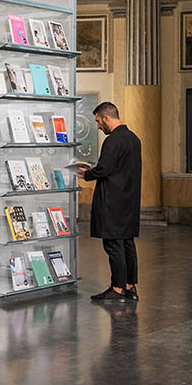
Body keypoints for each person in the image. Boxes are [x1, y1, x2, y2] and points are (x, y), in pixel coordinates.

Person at [71, 102, 141, 302]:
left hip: (113, 201)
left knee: (113, 245)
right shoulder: (134, 139)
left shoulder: (113, 141)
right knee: (128, 243)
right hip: (130, 200)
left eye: (99, 122)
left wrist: (87, 174)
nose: (99, 127)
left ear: (107, 118)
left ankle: (117, 289)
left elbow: (104, 169)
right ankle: (130, 286)